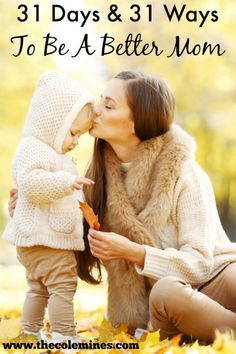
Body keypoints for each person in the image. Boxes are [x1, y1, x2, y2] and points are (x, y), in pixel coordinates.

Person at [8, 71, 236, 343]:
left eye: (108, 105)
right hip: (167, 304)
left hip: (217, 277)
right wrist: (32, 211)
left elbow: (200, 264)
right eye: (99, 100)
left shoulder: (183, 171)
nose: (95, 109)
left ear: (136, 122)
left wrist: (136, 253)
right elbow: (76, 244)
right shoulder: (95, 180)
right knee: (167, 293)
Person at [3, 71, 95, 343]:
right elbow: (32, 184)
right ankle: (65, 336)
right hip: (46, 241)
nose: (76, 141)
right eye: (73, 133)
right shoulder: (34, 149)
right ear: (53, 123)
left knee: (39, 289)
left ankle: (30, 331)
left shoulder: (47, 152)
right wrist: (68, 182)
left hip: (41, 239)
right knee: (63, 286)